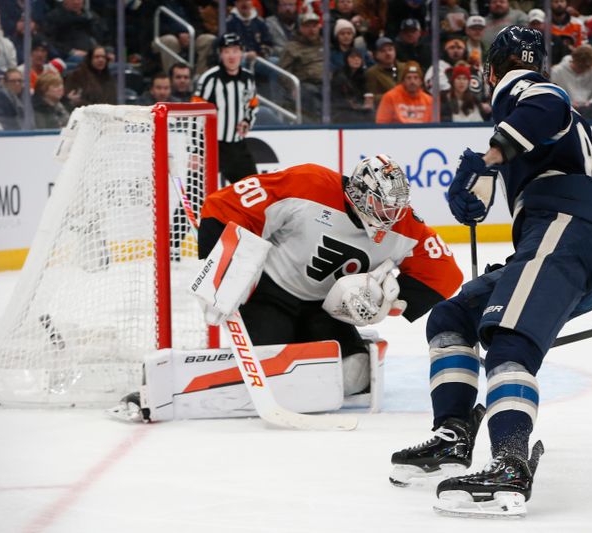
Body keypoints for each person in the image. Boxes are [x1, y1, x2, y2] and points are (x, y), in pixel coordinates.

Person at [389, 25, 592, 518]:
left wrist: (489, 157)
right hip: (571, 234)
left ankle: (508, 462)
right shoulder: (546, 130)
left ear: (493, 67)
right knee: (452, 318)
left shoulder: (520, 86)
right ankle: (454, 434)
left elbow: (550, 103)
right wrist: (484, 185)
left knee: (509, 340)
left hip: (568, 226)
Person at [196, 156, 462, 398]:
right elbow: (223, 205)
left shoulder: (405, 225)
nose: (391, 216)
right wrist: (219, 274)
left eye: (396, 207)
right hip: (270, 295)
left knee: (354, 375)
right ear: (359, 193)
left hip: (327, 310)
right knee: (268, 370)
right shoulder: (307, 183)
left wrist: (392, 297)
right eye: (382, 206)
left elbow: (446, 273)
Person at [196, 33, 258, 185]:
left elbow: (252, 104)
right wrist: (195, 150)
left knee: (253, 189)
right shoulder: (209, 79)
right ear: (220, 54)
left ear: (242, 53)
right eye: (227, 51)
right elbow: (195, 114)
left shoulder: (248, 78)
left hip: (237, 146)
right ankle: (184, 211)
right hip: (211, 147)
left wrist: (247, 121)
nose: (232, 56)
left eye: (235, 50)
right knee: (197, 193)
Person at [278, 11, 324, 122]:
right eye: (307, 26)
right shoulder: (292, 47)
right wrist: (293, 87)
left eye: (314, 26)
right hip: (306, 84)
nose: (312, 30)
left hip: (327, 83)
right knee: (310, 93)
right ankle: (316, 125)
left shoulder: (325, 44)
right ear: (301, 28)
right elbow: (283, 72)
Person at [549, 45, 592, 111]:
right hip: (564, 110)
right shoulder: (557, 72)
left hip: (588, 112)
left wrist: (590, 102)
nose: (582, 70)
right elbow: (552, 95)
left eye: (586, 68)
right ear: (574, 60)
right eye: (580, 67)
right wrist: (568, 103)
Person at [331, 47, 374, 123]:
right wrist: (357, 106)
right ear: (346, 59)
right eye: (353, 57)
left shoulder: (361, 76)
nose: (356, 59)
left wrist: (367, 102)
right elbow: (339, 99)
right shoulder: (340, 77)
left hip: (357, 109)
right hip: (342, 111)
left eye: (359, 57)